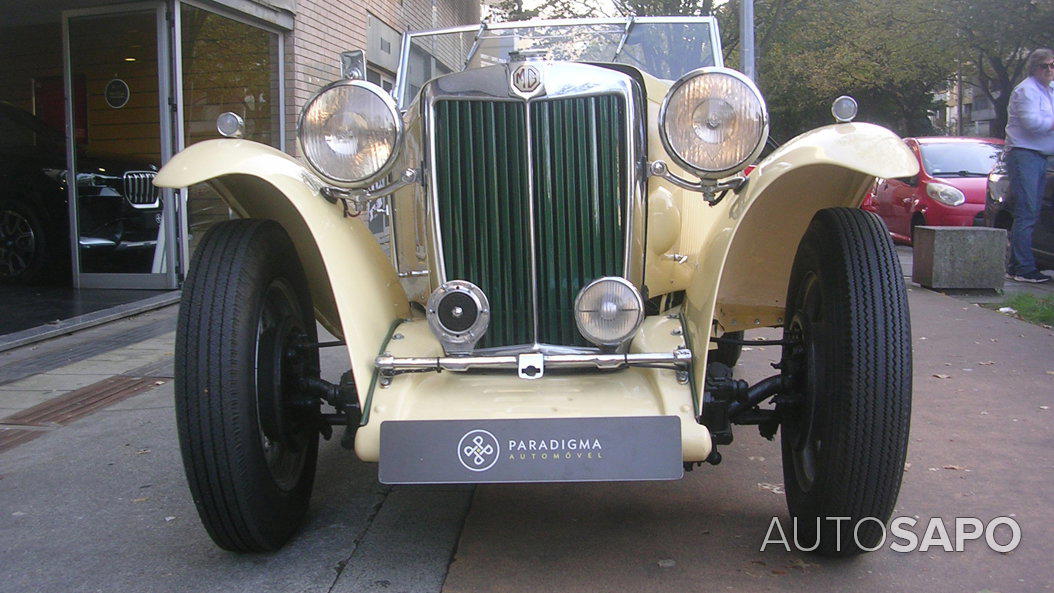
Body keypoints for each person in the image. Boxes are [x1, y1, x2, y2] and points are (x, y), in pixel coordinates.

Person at [1004, 48, 1054, 283]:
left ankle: (1019, 265)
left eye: (1052, 65)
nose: (1049, 70)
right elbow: (1032, 123)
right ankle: (1022, 268)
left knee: (1032, 211)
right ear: (1034, 68)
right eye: (1044, 66)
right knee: (1027, 211)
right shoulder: (1026, 90)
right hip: (1025, 155)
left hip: (1041, 155)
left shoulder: (1049, 90)